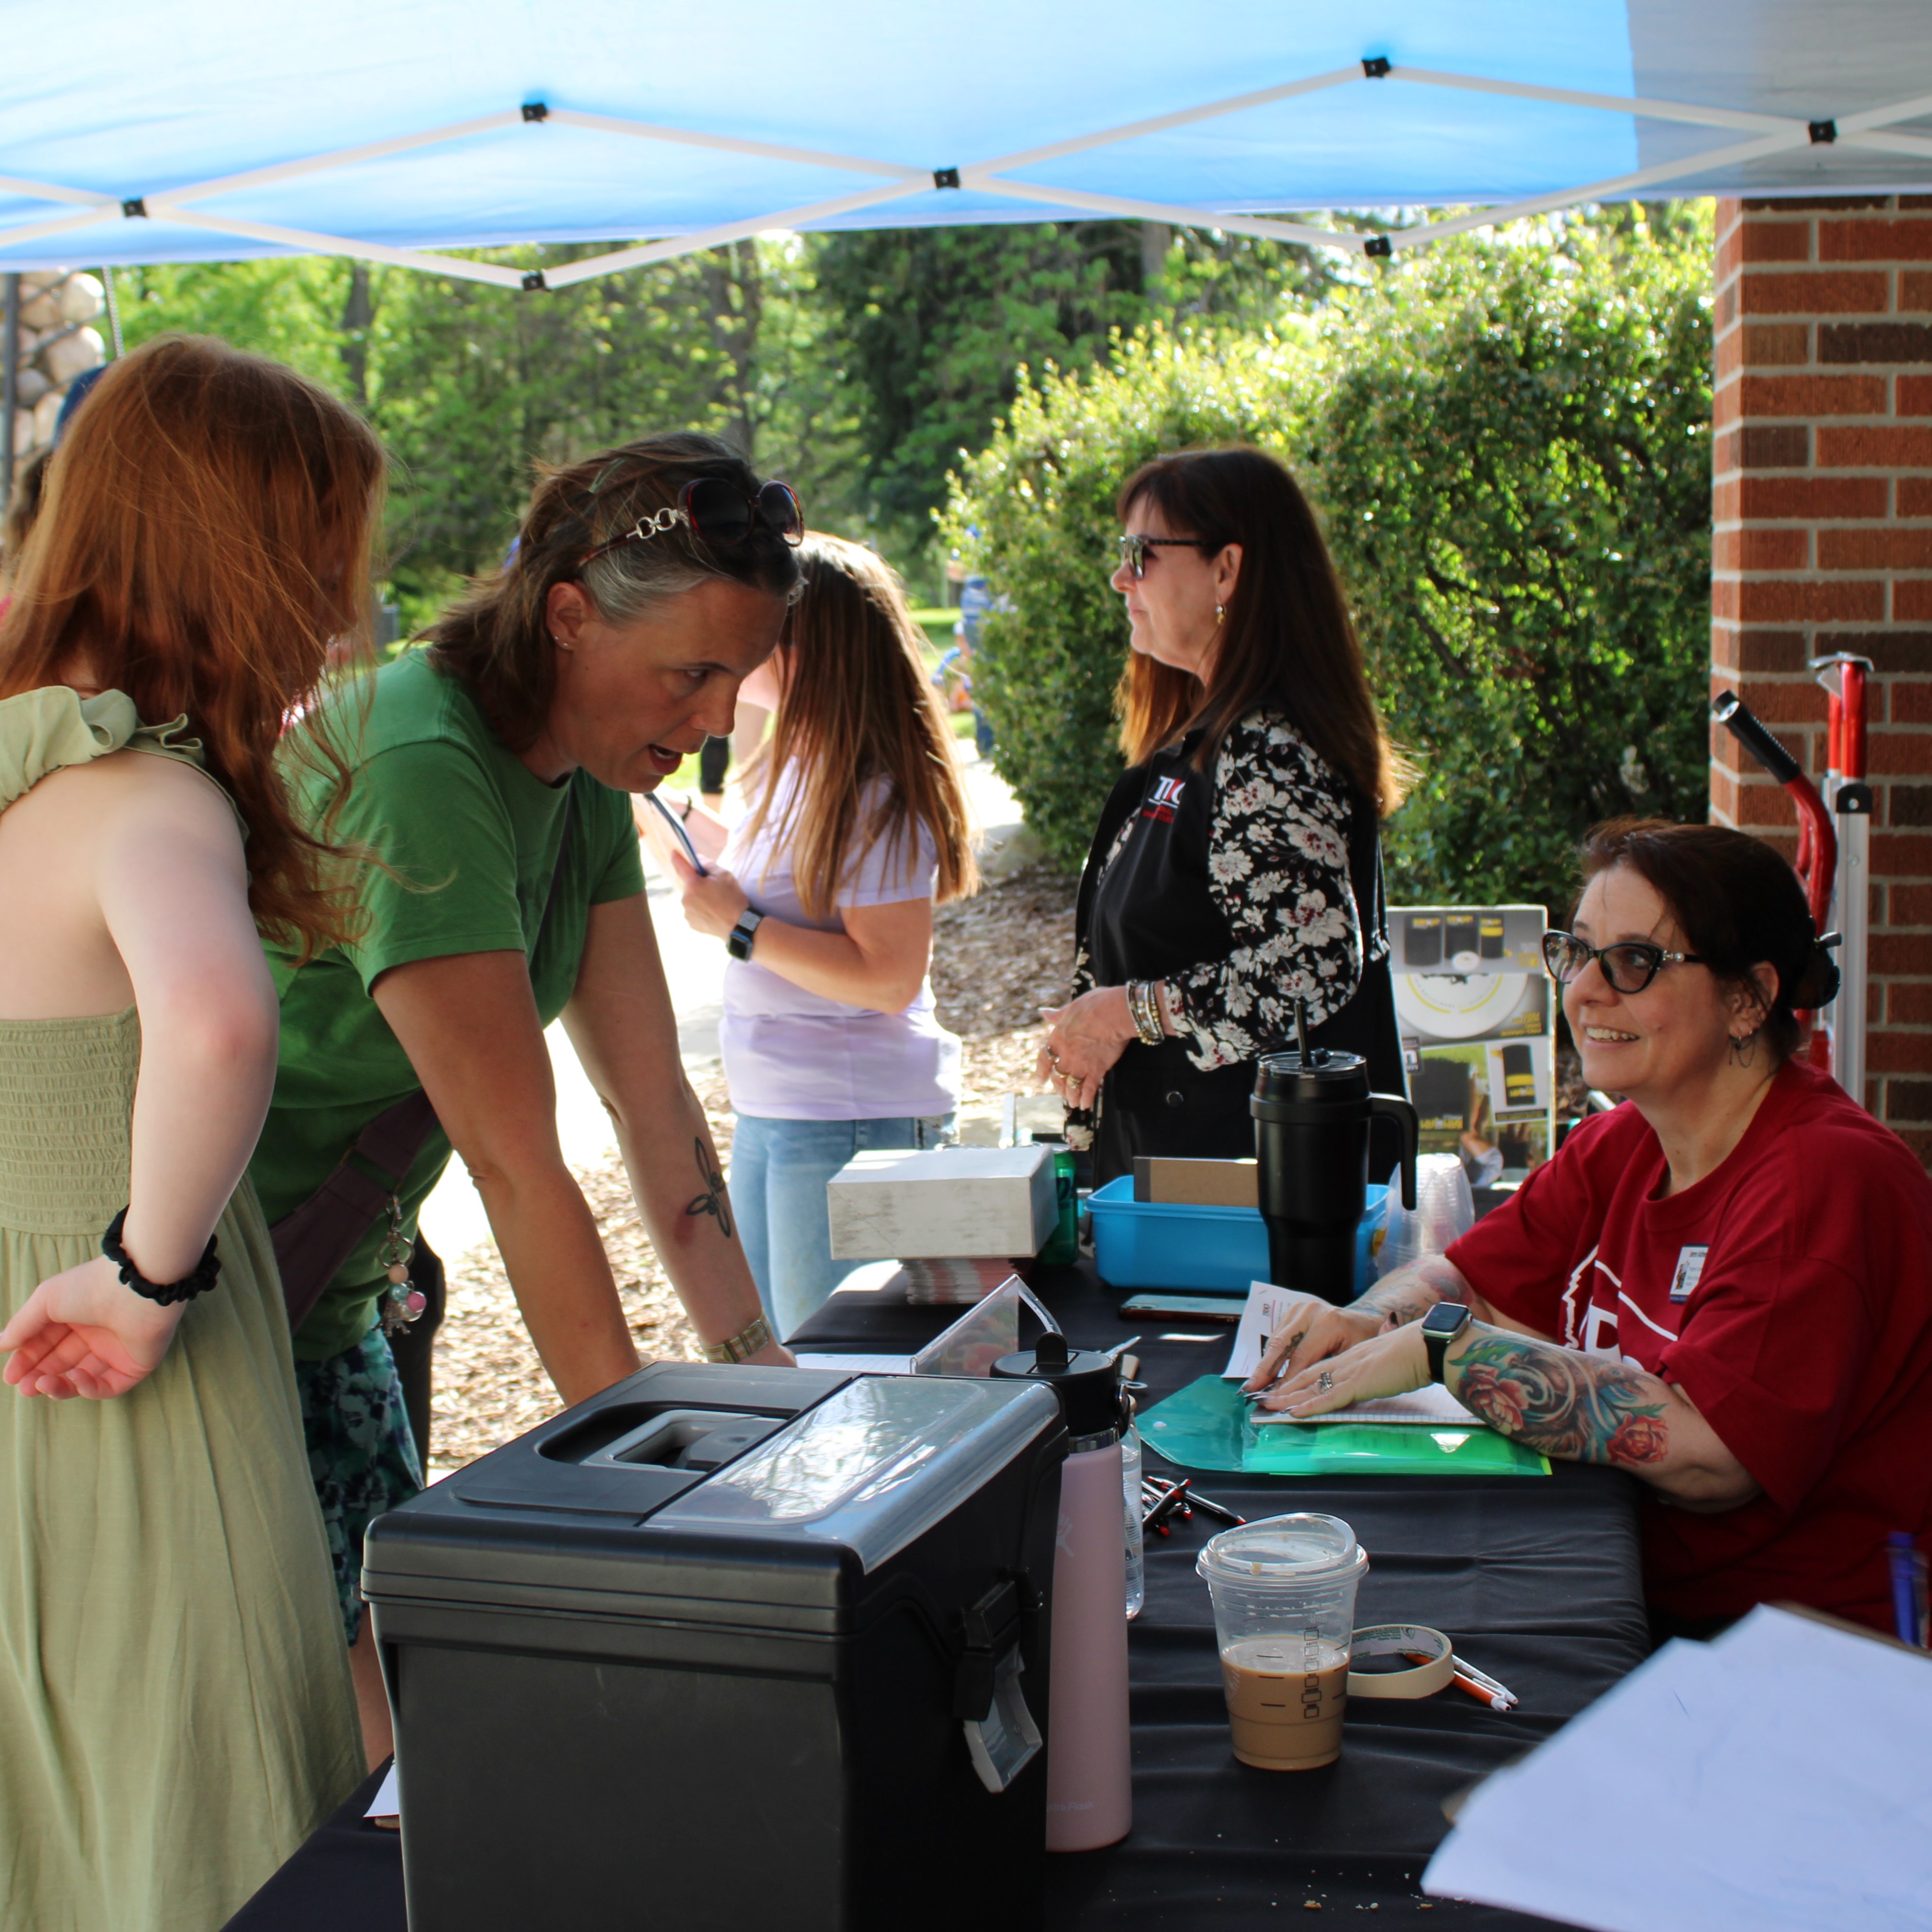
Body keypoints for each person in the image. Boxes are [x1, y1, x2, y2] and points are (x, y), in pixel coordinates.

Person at [252, 433, 803, 1765]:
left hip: (337, 1301)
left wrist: (762, 1379)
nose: (718, 717)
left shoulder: (584, 768)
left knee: (388, 1718)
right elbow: (518, 1166)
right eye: (693, 672)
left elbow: (651, 1104)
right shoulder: (423, 767)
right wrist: (647, 1488)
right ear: (566, 615)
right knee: (336, 1757)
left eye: (738, 675)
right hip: (222, 1308)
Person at [0, 335, 368, 1929]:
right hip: (107, 1336)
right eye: (334, 565)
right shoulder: (152, 796)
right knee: (198, 1777)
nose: (352, 614)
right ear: (246, 561)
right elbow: (218, 1027)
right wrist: (146, 1282)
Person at [1244, 819, 1932, 1640]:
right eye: (1577, 952)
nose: (1584, 991)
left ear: (1749, 998)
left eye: (1635, 963)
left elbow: (1712, 1455)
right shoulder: (1629, 1137)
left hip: (1795, 1656)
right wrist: (1371, 1319)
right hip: (1634, 1589)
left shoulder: (1821, 1182)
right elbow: (1467, 1281)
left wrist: (1443, 1350)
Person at [1039, 446, 1412, 1186]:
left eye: (1142, 554)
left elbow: (1313, 960)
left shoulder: (1267, 747)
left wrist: (1128, 1013)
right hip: (1204, 1184)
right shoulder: (1209, 738)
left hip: (1250, 1200)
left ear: (1228, 570)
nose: (1121, 578)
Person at [657, 533, 977, 1341]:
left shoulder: (875, 793)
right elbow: (781, 882)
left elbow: (888, 977)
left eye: (754, 629)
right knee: (788, 1363)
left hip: (848, 1120)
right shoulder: (801, 766)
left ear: (803, 648)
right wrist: (657, 807)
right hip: (782, 1114)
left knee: (832, 1374)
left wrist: (742, 928)